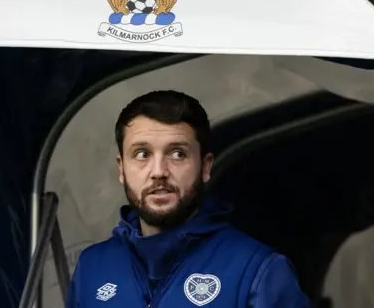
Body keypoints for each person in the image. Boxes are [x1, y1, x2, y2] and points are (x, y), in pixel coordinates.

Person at [66, 90, 309, 307]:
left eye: (177, 154)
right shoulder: (92, 267)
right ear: (121, 169)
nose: (159, 171)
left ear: (205, 167)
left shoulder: (258, 270)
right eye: (142, 154)